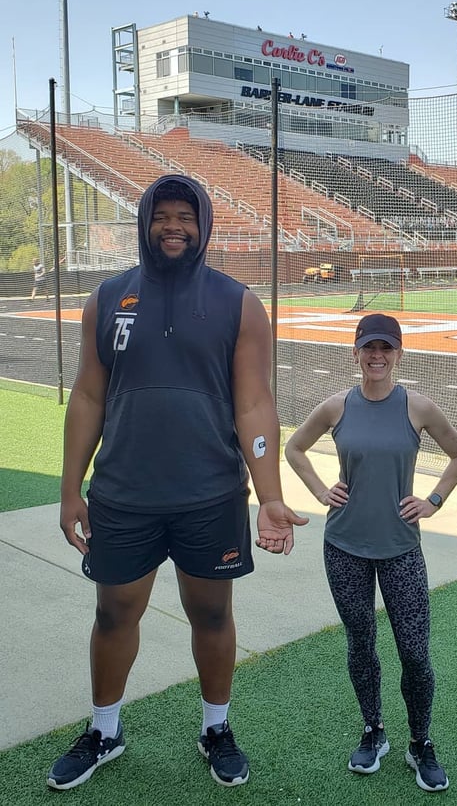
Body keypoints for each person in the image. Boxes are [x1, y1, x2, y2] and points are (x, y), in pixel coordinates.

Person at [47, 174, 308, 791]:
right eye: (161, 215)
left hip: (210, 495)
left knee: (211, 613)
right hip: (123, 494)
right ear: (144, 222)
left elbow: (254, 404)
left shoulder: (238, 303)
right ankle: (105, 730)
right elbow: (88, 396)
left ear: (203, 226)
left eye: (185, 218)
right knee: (114, 611)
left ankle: (216, 728)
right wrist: (70, 488)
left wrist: (270, 495)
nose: (173, 227)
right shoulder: (107, 298)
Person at [285, 313, 457, 793]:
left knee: (415, 652)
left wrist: (433, 500)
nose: (377, 356)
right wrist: (320, 490)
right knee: (361, 643)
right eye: (369, 347)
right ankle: (373, 730)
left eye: (386, 348)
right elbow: (295, 448)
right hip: (344, 546)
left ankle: (420, 742)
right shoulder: (336, 407)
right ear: (356, 352)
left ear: (399, 354)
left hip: (400, 549)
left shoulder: (418, 407)